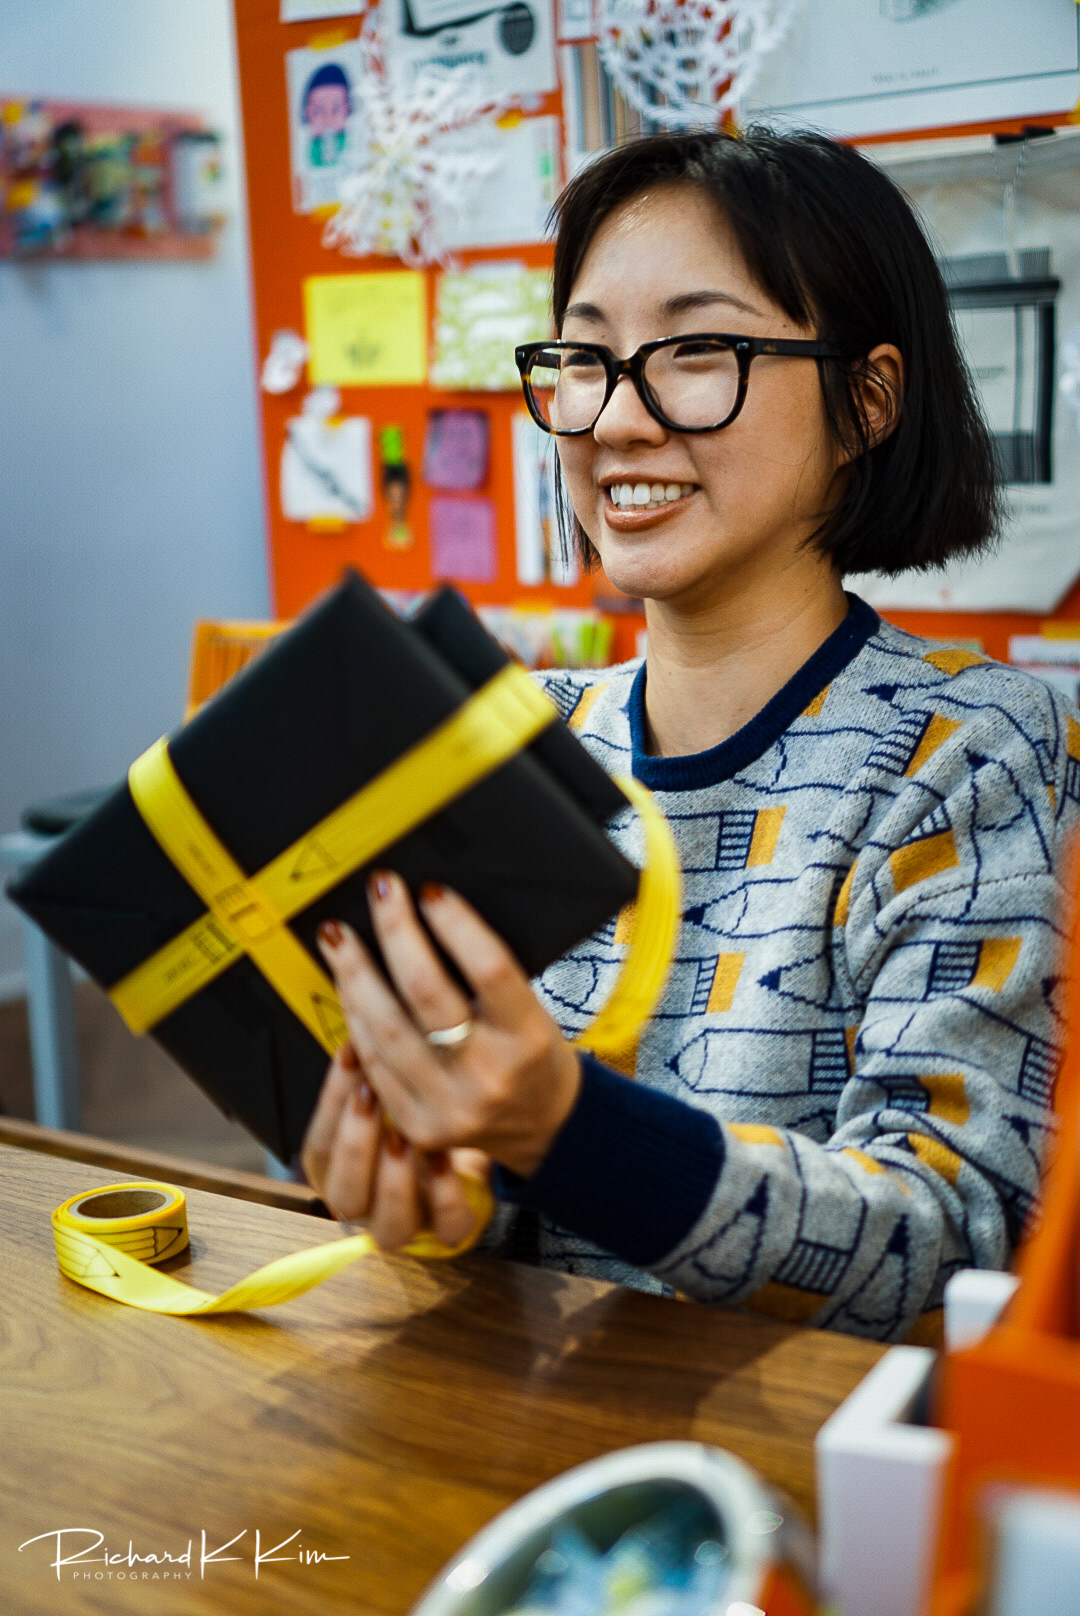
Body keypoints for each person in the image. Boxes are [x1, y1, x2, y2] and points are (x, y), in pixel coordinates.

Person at [301, 129, 1078, 1342]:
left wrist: (568, 1128)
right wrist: (440, 1187)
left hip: (799, 1478)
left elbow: (953, 1232)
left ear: (866, 400)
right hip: (529, 1441)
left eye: (697, 352)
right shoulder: (526, 735)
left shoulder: (973, 748)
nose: (614, 417)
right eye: (585, 357)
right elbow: (499, 1221)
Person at [302, 62, 352, 168]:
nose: (328, 118)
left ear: (348, 108)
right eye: (318, 111)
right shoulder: (311, 150)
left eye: (336, 109)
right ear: (307, 113)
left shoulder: (352, 143)